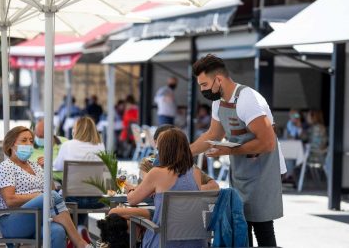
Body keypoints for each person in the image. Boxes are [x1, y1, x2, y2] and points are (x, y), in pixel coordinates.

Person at [190, 54, 283, 247]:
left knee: (262, 226)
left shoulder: (248, 99)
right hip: (241, 170)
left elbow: (268, 143)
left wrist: (229, 151)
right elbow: (213, 135)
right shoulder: (218, 101)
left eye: (204, 85)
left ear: (219, 79)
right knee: (241, 224)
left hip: (262, 170)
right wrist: (183, 153)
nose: (202, 90)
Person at [102, 128, 204, 248]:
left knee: (114, 213)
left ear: (164, 150)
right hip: (195, 239)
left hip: (163, 239)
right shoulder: (196, 172)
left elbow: (132, 200)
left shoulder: (157, 172)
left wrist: (130, 189)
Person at [0, 126, 92, 248]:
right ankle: (80, 243)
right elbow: (10, 200)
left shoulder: (35, 166)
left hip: (39, 219)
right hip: (13, 222)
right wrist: (39, 196)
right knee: (51, 196)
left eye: (31, 141)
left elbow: (52, 193)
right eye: (24, 140)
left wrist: (47, 170)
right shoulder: (6, 167)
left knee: (58, 232)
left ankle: (77, 241)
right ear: (11, 144)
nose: (29, 144)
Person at [53, 116, 106, 226]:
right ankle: (82, 229)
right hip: (96, 200)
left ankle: (75, 231)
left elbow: (57, 166)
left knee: (54, 196)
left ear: (76, 130)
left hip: (72, 199)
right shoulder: (100, 146)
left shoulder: (67, 145)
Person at [139, 124, 219, 191]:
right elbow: (150, 189)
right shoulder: (148, 162)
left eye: (173, 141)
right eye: (165, 140)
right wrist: (190, 190)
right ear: (156, 142)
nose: (169, 144)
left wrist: (189, 191)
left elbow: (214, 186)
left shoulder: (186, 164)